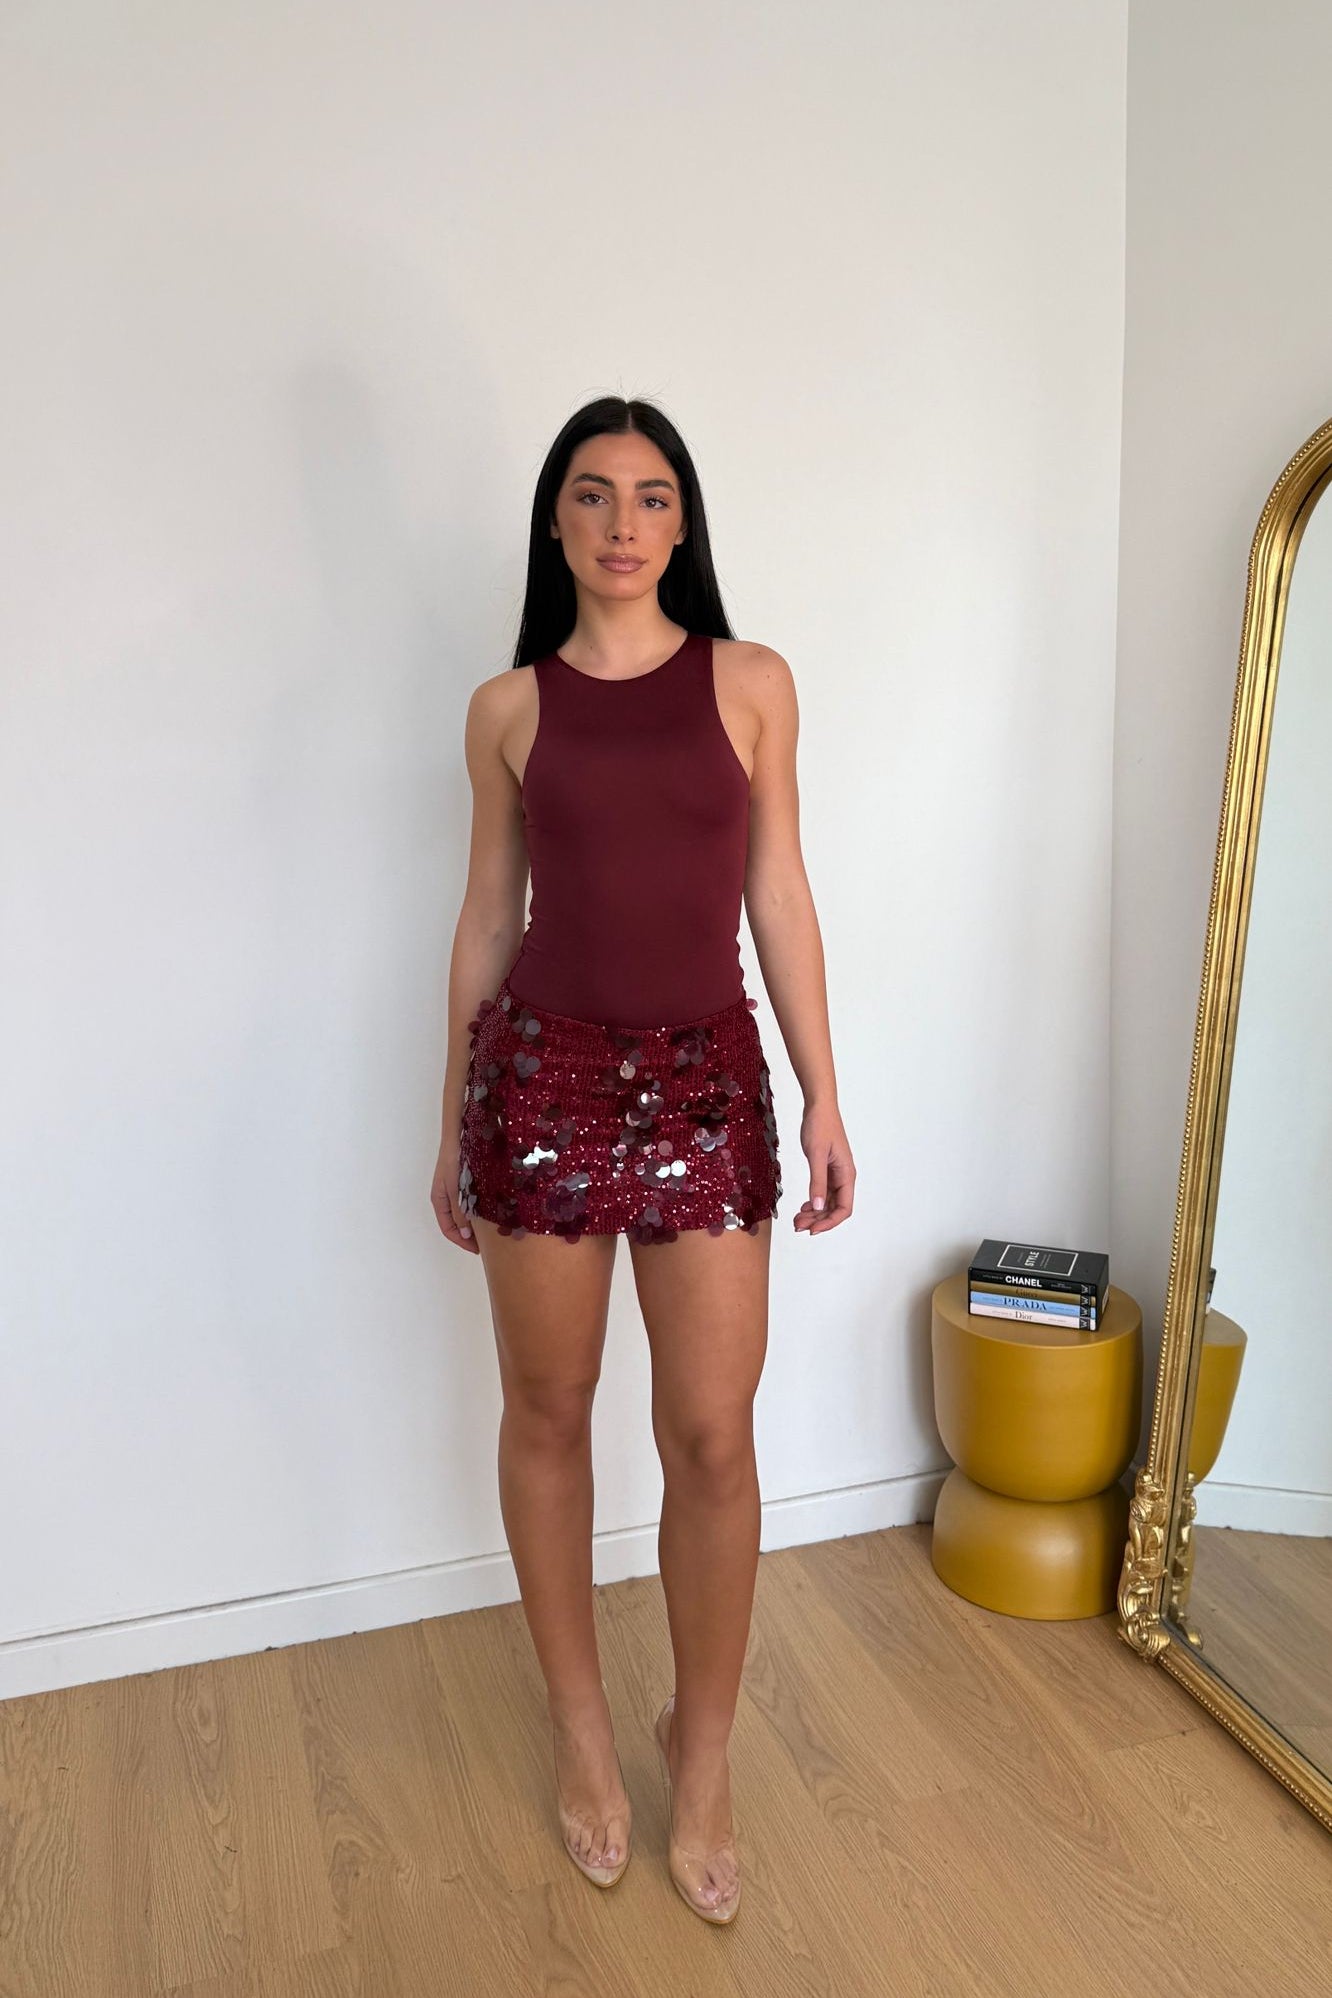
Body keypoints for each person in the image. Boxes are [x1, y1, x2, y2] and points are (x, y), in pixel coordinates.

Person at [430, 395, 854, 1924]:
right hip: (540, 1083)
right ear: (556, 521)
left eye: (653, 495)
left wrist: (822, 1091)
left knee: (712, 1434)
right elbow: (490, 913)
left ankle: (706, 1749)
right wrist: (451, 1114)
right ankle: (584, 1733)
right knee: (548, 1411)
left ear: (684, 523)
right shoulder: (506, 707)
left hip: (703, 1090)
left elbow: (778, 889)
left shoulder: (752, 683)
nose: (624, 522)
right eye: (595, 493)